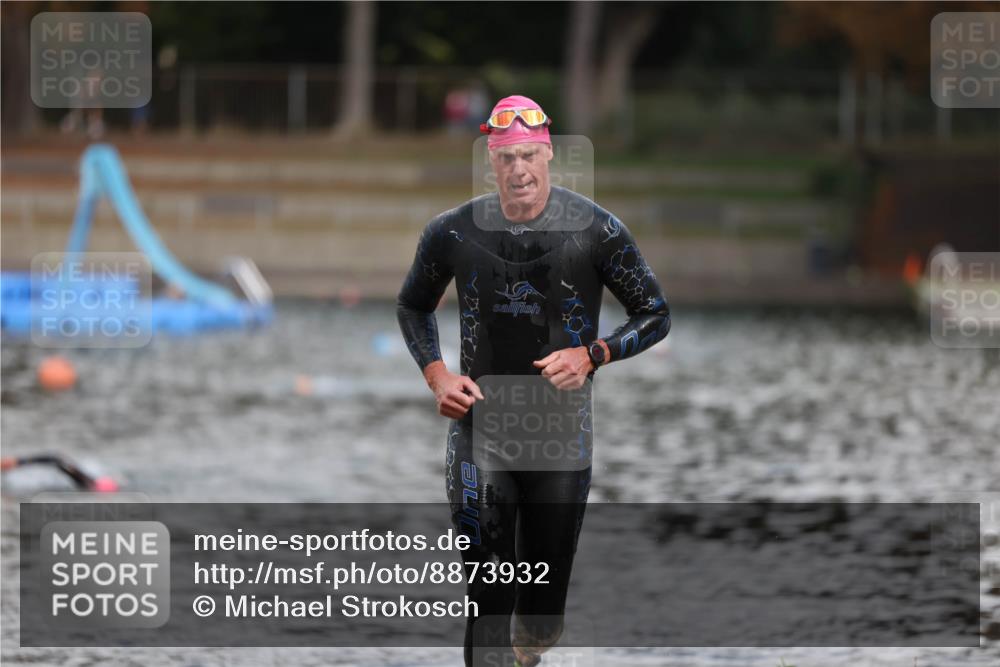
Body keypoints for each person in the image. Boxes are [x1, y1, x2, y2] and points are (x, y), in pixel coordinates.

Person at [397, 95, 670, 666]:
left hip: (560, 445)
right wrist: (438, 374)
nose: (518, 169)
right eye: (506, 158)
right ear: (491, 163)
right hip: (480, 436)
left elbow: (655, 314)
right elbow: (412, 306)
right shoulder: (452, 233)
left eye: (528, 155)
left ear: (548, 156)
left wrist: (594, 355)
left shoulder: (596, 231)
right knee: (488, 600)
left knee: (540, 620)